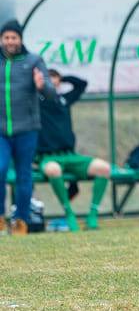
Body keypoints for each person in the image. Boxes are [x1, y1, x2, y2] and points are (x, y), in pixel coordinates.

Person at [0, 19, 56, 235]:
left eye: (14, 37)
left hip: (27, 130)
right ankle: (1, 217)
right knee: (1, 169)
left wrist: (42, 86)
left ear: (20, 40)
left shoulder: (33, 61)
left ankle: (21, 221)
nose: (10, 41)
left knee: (24, 176)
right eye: (6, 37)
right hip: (2, 132)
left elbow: (50, 93)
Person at [37, 71, 111, 231]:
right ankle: (69, 213)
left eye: (53, 78)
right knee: (53, 170)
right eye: (47, 79)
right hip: (48, 157)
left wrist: (62, 78)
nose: (51, 82)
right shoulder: (35, 100)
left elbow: (81, 84)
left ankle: (92, 215)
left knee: (104, 168)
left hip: (70, 155)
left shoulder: (63, 100)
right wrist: (40, 84)